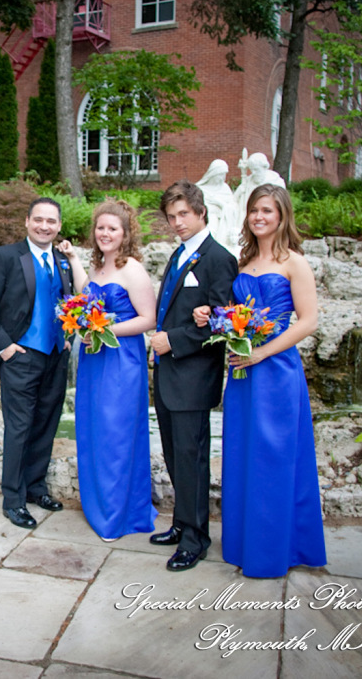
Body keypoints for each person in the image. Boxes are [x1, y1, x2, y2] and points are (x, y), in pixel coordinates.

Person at [194, 184, 327, 578]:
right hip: (242, 370)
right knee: (242, 454)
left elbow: (308, 321)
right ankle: (243, 543)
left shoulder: (294, 263)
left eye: (267, 210)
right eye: (254, 210)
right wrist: (212, 316)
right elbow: (236, 314)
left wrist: (263, 353)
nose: (259, 217)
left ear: (282, 215)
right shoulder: (244, 261)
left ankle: (273, 550)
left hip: (276, 371)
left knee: (274, 457)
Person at [149, 180, 238, 572]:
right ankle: (182, 523)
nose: (177, 222)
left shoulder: (219, 258)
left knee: (192, 460)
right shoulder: (178, 254)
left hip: (193, 377)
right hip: (169, 375)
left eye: (183, 214)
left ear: (201, 212)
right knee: (174, 456)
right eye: (171, 216)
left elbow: (221, 323)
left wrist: (173, 340)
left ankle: (196, 539)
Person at [57, 200, 158, 541]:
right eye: (100, 227)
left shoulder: (133, 270)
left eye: (112, 228)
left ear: (125, 234)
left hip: (121, 361)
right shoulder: (98, 267)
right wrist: (74, 259)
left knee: (117, 433)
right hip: (94, 360)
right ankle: (99, 504)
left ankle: (119, 515)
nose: (105, 233)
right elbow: (86, 292)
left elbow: (148, 319)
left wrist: (103, 329)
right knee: (94, 430)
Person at [0, 198, 74, 529]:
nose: (45, 226)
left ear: (59, 226)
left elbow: (69, 304)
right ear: (27, 221)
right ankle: (14, 500)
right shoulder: (5, 257)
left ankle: (35, 488)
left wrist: (69, 336)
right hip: (20, 356)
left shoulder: (63, 261)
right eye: (39, 219)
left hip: (56, 355)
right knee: (19, 428)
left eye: (51, 221)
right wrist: (4, 348)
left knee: (46, 424)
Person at [195, 159, 240, 254]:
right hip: (208, 219)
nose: (222, 178)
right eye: (220, 175)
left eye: (224, 175)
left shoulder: (225, 188)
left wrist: (220, 204)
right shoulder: (200, 189)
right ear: (213, 174)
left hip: (223, 221)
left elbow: (233, 206)